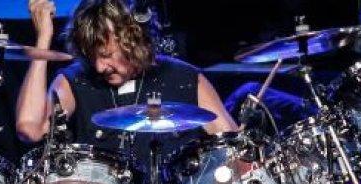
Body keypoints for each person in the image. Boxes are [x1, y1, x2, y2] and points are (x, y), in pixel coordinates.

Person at [16, 0, 238, 151]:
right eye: (91, 56)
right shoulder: (76, 80)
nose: (99, 67)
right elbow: (30, 129)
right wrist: (43, 40)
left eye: (106, 55)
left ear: (133, 42)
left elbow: (232, 148)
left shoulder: (184, 78)